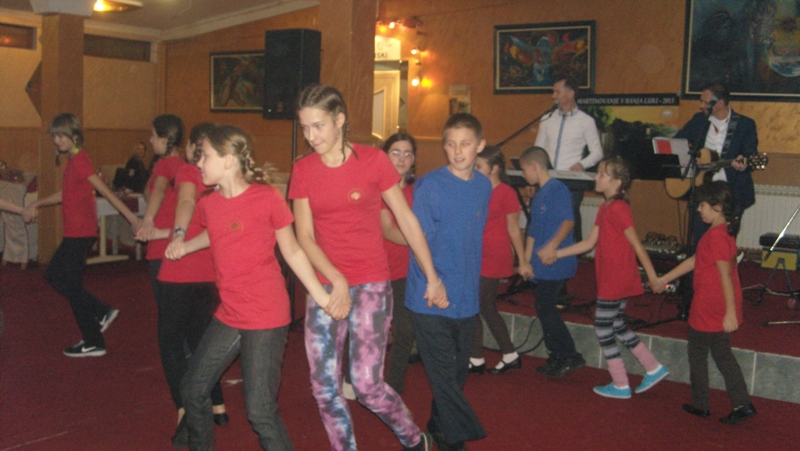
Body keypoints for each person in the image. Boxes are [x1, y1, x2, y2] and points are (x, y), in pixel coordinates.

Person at [289, 84, 442, 451]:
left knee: (367, 385)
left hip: (371, 284)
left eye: (318, 126)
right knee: (324, 387)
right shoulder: (303, 169)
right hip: (325, 285)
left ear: (339, 120)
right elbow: (304, 236)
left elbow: (406, 220)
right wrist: (335, 279)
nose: (311, 137)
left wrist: (432, 277)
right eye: (305, 128)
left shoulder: (373, 160)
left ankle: (415, 439)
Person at [165, 124, 330, 450]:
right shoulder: (209, 203)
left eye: (205, 156)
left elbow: (293, 251)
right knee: (193, 388)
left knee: (260, 412)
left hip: (266, 315)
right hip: (230, 312)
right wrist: (184, 245)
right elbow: (217, 231)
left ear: (228, 160)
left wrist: (322, 297)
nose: (199, 163)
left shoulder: (266, 198)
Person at [22, 113, 140, 357]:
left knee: (61, 279)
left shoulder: (80, 160)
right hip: (76, 231)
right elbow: (66, 194)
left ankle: (97, 326)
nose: (57, 140)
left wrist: (132, 218)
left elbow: (105, 191)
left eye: (62, 135)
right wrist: (37, 204)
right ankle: (96, 329)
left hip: (80, 232)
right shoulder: (74, 160)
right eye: (55, 136)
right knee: (63, 280)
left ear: (75, 136)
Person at [406, 113, 490, 451]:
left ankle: (436, 429)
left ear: (479, 146)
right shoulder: (430, 186)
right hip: (429, 295)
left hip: (465, 298)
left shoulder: (483, 186)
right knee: (443, 376)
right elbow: (418, 240)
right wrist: (433, 281)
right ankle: (456, 441)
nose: (457, 151)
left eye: (465, 144)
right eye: (451, 144)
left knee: (456, 376)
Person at [554, 157, 669, 398]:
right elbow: (589, 243)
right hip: (614, 277)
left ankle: (620, 383)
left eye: (601, 175)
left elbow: (636, 244)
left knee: (602, 328)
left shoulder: (618, 208)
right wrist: (557, 253)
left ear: (616, 182)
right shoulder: (605, 207)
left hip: (616, 278)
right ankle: (653, 367)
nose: (596, 177)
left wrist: (653, 277)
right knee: (616, 324)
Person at [146, 123, 227, 446]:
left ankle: (184, 409)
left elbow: (186, 202)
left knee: (170, 342)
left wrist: (177, 235)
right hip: (209, 269)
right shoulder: (222, 175)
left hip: (181, 267)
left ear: (194, 146)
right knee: (200, 340)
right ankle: (218, 404)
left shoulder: (190, 172)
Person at [654, 181, 756, 425]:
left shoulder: (717, 236)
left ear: (717, 207)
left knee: (699, 352)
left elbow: (726, 276)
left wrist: (730, 313)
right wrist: (664, 279)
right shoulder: (719, 233)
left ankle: (705, 404)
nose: (698, 209)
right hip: (714, 304)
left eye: (702, 205)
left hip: (712, 306)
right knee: (719, 353)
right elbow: (695, 260)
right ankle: (739, 403)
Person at [517, 146, 585, 378]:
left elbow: (568, 221)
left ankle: (569, 355)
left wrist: (553, 246)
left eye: (524, 170)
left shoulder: (557, 189)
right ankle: (557, 354)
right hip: (542, 263)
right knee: (543, 307)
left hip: (555, 261)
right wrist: (525, 261)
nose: (523, 175)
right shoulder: (539, 195)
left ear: (534, 166)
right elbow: (533, 232)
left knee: (545, 307)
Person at [468, 146, 530, 375]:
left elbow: (514, 228)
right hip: (477, 254)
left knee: (476, 305)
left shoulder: (506, 192)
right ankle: (506, 354)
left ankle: (477, 357)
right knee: (483, 306)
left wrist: (522, 260)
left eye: (479, 166)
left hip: (495, 255)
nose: (474, 169)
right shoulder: (477, 189)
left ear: (494, 168)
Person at [673, 82, 756, 245]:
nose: (701, 106)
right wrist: (691, 157)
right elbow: (676, 142)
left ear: (720, 103)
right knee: (699, 242)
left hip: (730, 193)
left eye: (705, 102)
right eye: (701, 101)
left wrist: (743, 162)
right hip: (702, 189)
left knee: (723, 242)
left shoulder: (745, 125)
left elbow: (750, 154)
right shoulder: (699, 120)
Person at [136, 114, 185, 360]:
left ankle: (180, 359)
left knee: (168, 312)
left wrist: (147, 219)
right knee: (177, 308)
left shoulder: (165, 164)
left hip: (160, 244)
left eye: (153, 136)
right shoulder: (182, 164)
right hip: (172, 239)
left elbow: (158, 190)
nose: (150, 140)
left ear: (166, 139)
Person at [533, 76, 603, 243]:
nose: (553, 96)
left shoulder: (586, 121)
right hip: (547, 179)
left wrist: (581, 164)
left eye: (557, 92)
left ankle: (574, 253)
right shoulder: (547, 119)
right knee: (542, 219)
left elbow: (597, 152)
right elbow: (538, 150)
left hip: (571, 182)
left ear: (570, 93)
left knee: (569, 221)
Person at [381, 132, 420, 394]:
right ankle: (354, 377)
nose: (402, 159)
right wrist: (420, 239)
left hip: (409, 270)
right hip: (380, 269)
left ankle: (393, 385)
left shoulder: (419, 190)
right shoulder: (378, 189)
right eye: (395, 152)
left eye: (407, 153)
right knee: (370, 331)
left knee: (406, 329)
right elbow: (387, 230)